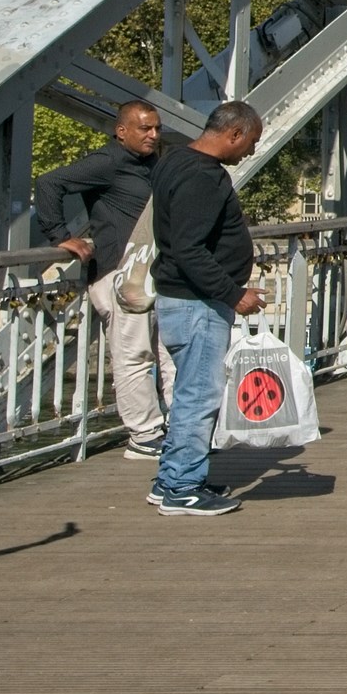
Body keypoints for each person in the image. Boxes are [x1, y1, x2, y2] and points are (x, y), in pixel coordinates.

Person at [147, 101, 269, 517]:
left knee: (188, 394)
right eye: (251, 142)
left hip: (181, 299)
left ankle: (172, 477)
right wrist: (233, 293)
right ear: (234, 134)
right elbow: (189, 248)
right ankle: (182, 487)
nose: (250, 152)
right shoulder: (203, 177)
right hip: (197, 303)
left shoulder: (175, 159)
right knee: (198, 397)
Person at [32, 99, 172, 463]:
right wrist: (59, 234)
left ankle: (174, 426)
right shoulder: (108, 161)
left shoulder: (149, 164)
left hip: (151, 274)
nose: (153, 135)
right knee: (134, 355)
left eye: (157, 128)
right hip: (119, 274)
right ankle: (144, 435)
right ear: (121, 130)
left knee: (167, 352)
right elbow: (49, 183)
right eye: (145, 128)